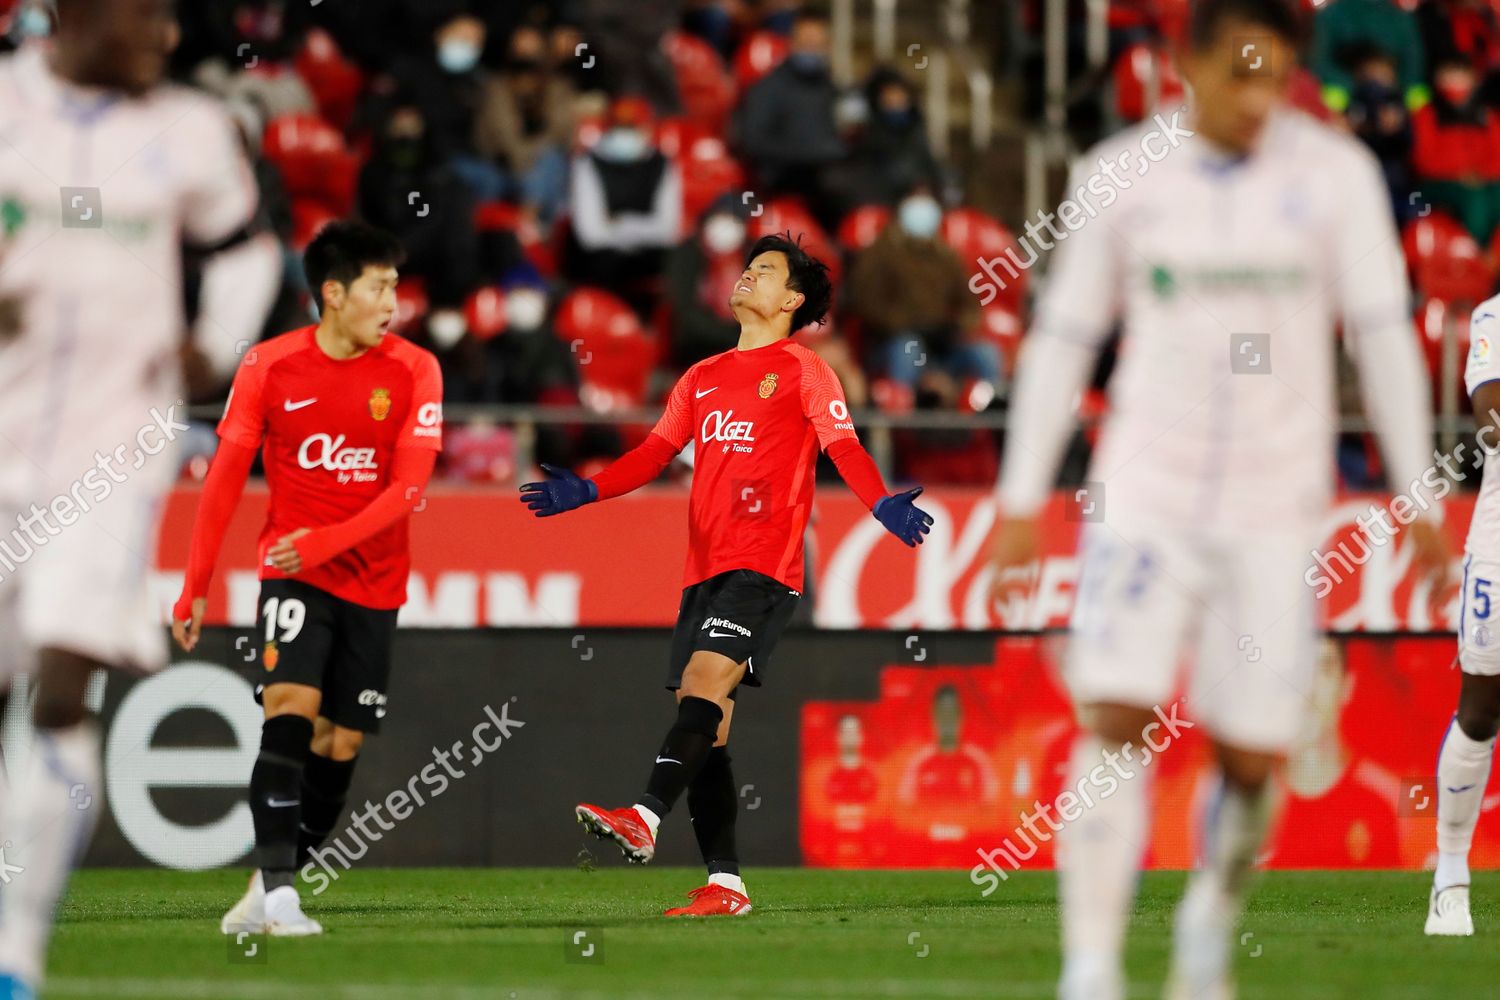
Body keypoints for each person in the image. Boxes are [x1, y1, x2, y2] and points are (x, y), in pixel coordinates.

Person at [987, 2, 1450, 997]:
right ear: (1184, 62)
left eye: (1274, 76)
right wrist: (1023, 490)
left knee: (1251, 761)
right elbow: (1066, 336)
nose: (1256, 99)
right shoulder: (1119, 173)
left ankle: (1209, 917)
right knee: (1114, 712)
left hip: (1276, 507)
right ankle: (1093, 968)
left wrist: (1417, 493)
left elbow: (1381, 337)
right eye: (1238, 73)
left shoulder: (1337, 177)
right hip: (1145, 490)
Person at [521, 233, 932, 917]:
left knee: (706, 684)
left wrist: (881, 501)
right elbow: (655, 451)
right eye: (747, 267)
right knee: (705, 727)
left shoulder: (806, 371)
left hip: (763, 564)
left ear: (791, 300)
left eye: (763, 271)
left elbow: (844, 445)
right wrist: (590, 490)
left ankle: (645, 817)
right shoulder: (701, 376)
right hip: (703, 567)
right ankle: (726, 885)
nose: (746, 276)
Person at [171, 221, 443, 937]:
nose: (392, 301)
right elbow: (225, 481)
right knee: (288, 704)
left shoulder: (415, 370)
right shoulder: (268, 366)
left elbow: (409, 492)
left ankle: (268, 889)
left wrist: (327, 542)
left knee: (340, 742)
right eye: (378, 286)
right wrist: (194, 584)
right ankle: (284, 896)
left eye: (394, 286)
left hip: (373, 578)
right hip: (290, 574)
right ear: (333, 292)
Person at [1425, 292, 1500, 935]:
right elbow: (1491, 419)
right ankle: (1451, 875)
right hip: (1499, 548)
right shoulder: (1493, 317)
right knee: (1480, 710)